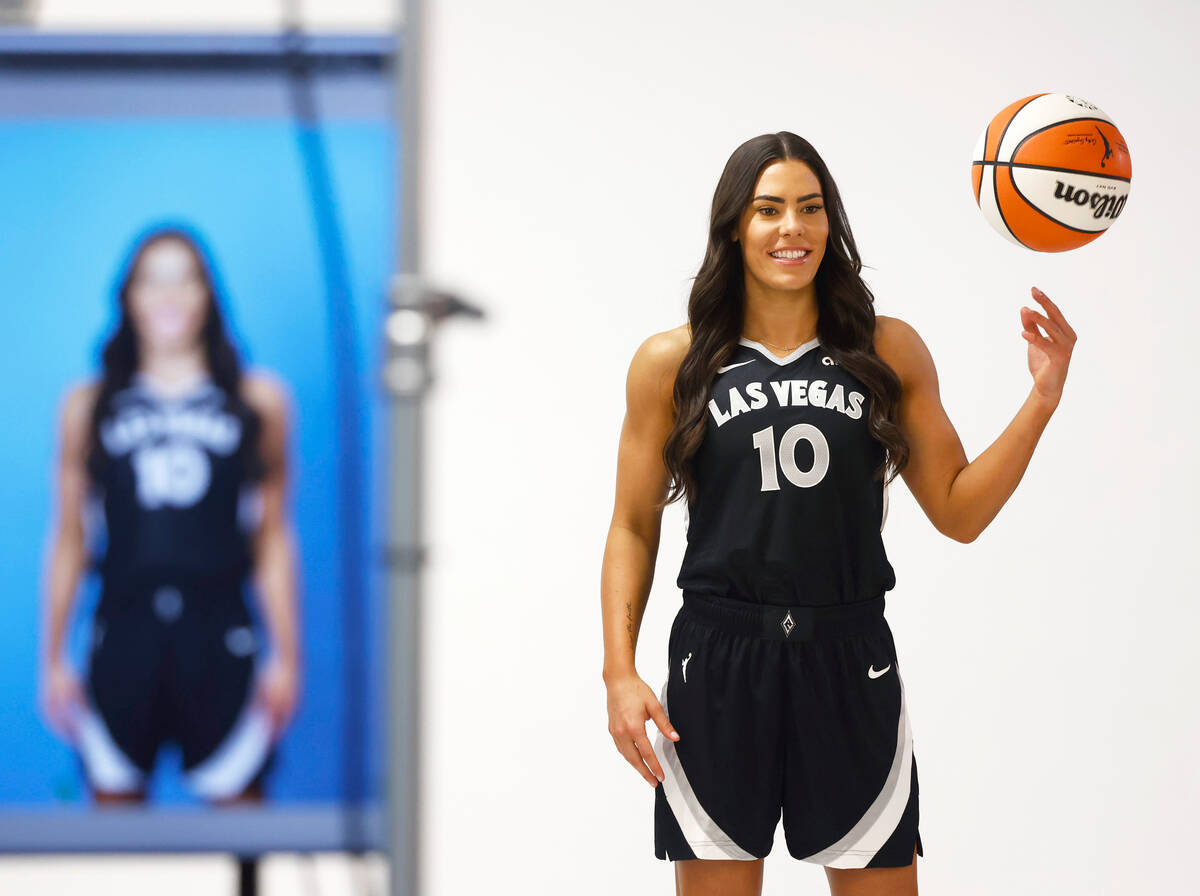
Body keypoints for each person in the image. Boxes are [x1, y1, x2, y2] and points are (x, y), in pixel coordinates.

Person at [600, 132, 1075, 895]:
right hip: (719, 658)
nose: (794, 227)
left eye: (811, 208)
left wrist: (1040, 401)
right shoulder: (673, 362)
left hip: (848, 655)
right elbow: (632, 525)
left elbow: (958, 511)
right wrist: (618, 672)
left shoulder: (887, 350)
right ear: (734, 227)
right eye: (769, 209)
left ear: (833, 223)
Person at [39, 224, 303, 804]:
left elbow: (273, 536)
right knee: (112, 829)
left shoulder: (258, 401)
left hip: (220, 631)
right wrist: (53, 656)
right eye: (152, 281)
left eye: (185, 280)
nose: (168, 297)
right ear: (127, 296)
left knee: (242, 818)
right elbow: (69, 536)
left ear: (208, 295)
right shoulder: (89, 405)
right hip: (123, 629)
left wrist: (288, 654)